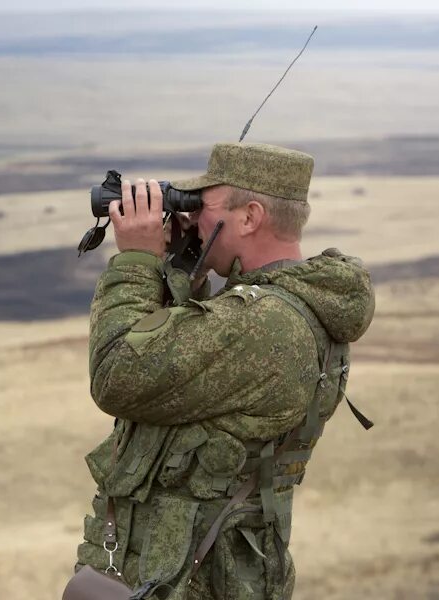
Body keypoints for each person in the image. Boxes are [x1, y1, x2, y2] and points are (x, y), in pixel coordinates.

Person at [72, 142, 375, 600]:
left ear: (250, 217)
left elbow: (118, 374)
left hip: (187, 585)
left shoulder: (265, 322)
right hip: (180, 579)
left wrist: (135, 260)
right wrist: (182, 262)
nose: (194, 218)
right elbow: (174, 363)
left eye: (204, 206)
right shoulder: (269, 309)